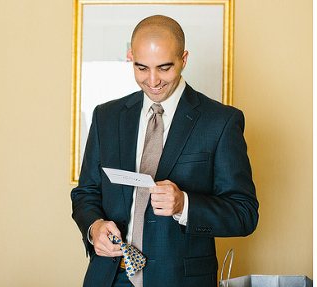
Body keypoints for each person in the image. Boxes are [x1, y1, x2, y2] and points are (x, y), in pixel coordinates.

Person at [71, 15, 259, 287]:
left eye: (164, 68)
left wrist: (185, 204)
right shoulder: (106, 117)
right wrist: (94, 227)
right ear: (130, 57)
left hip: (180, 280)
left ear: (183, 59)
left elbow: (245, 214)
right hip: (109, 277)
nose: (153, 80)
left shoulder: (221, 121)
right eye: (142, 68)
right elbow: (85, 193)